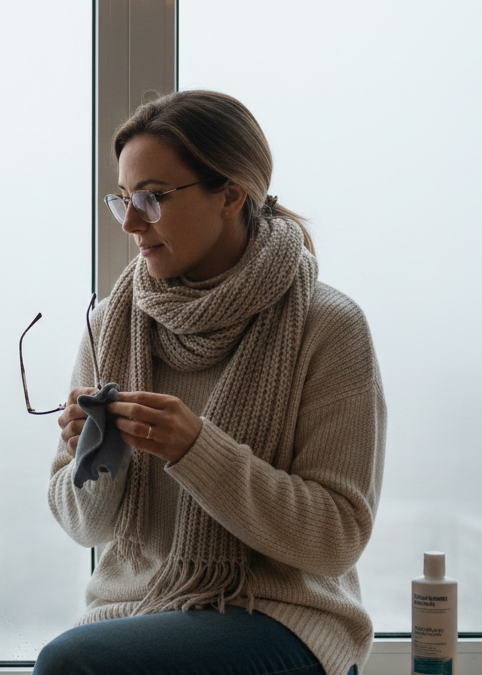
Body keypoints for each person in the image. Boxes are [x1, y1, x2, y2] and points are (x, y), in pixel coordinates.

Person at [33, 91, 385, 675]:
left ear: (230, 194)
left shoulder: (329, 326)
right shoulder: (110, 326)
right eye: (123, 200)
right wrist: (89, 456)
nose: (133, 223)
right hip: (132, 613)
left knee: (73, 665)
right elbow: (84, 527)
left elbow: (336, 538)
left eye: (152, 197)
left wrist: (196, 449)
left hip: (281, 617)